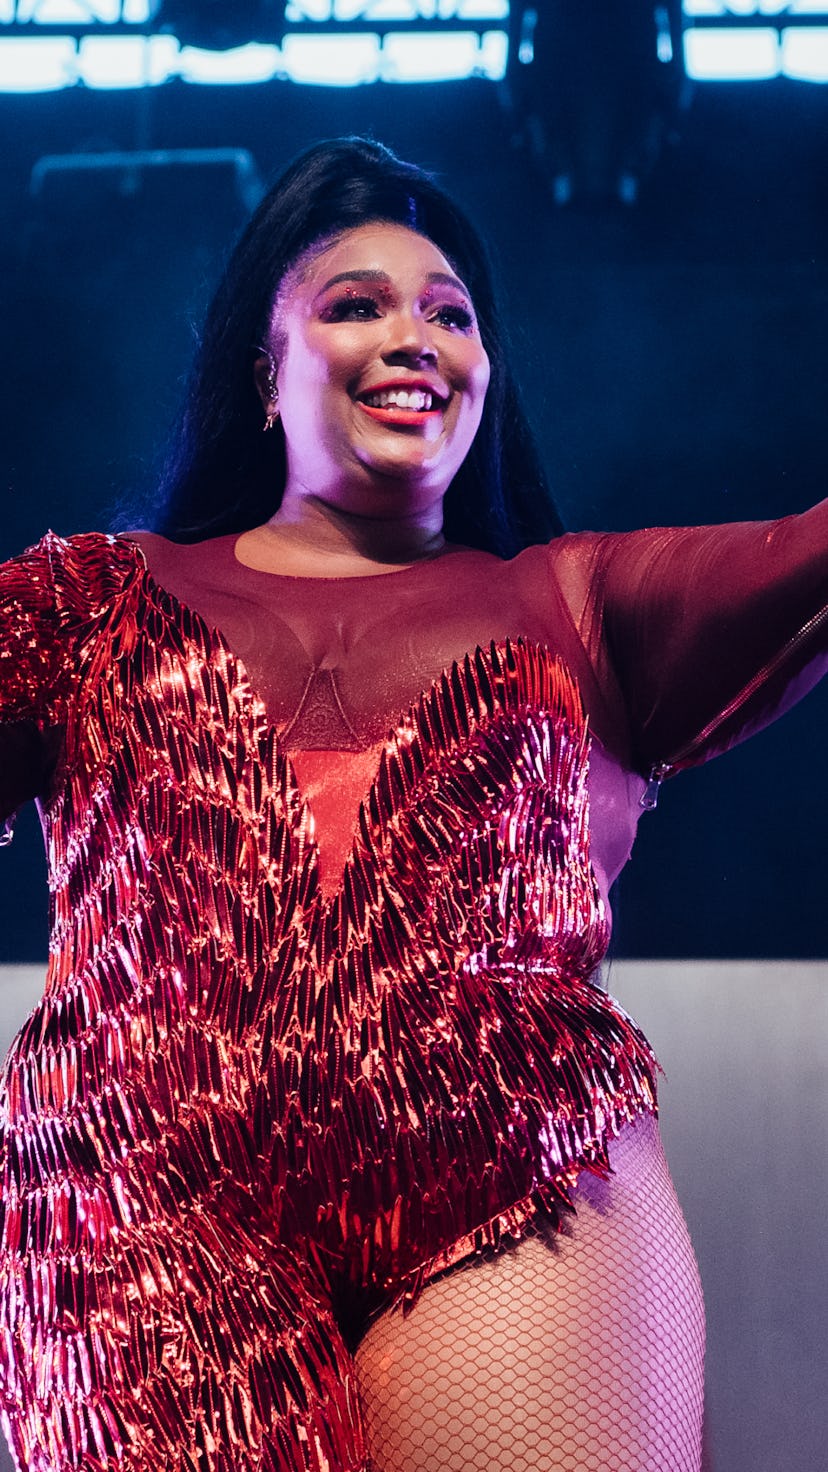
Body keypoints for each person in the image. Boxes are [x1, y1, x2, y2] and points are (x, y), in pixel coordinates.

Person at [0, 135, 825, 1472]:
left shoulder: (579, 606)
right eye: (356, 302)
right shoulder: (89, 607)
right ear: (265, 367)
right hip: (143, 1215)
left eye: (451, 311)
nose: (415, 334)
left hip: (517, 1196)